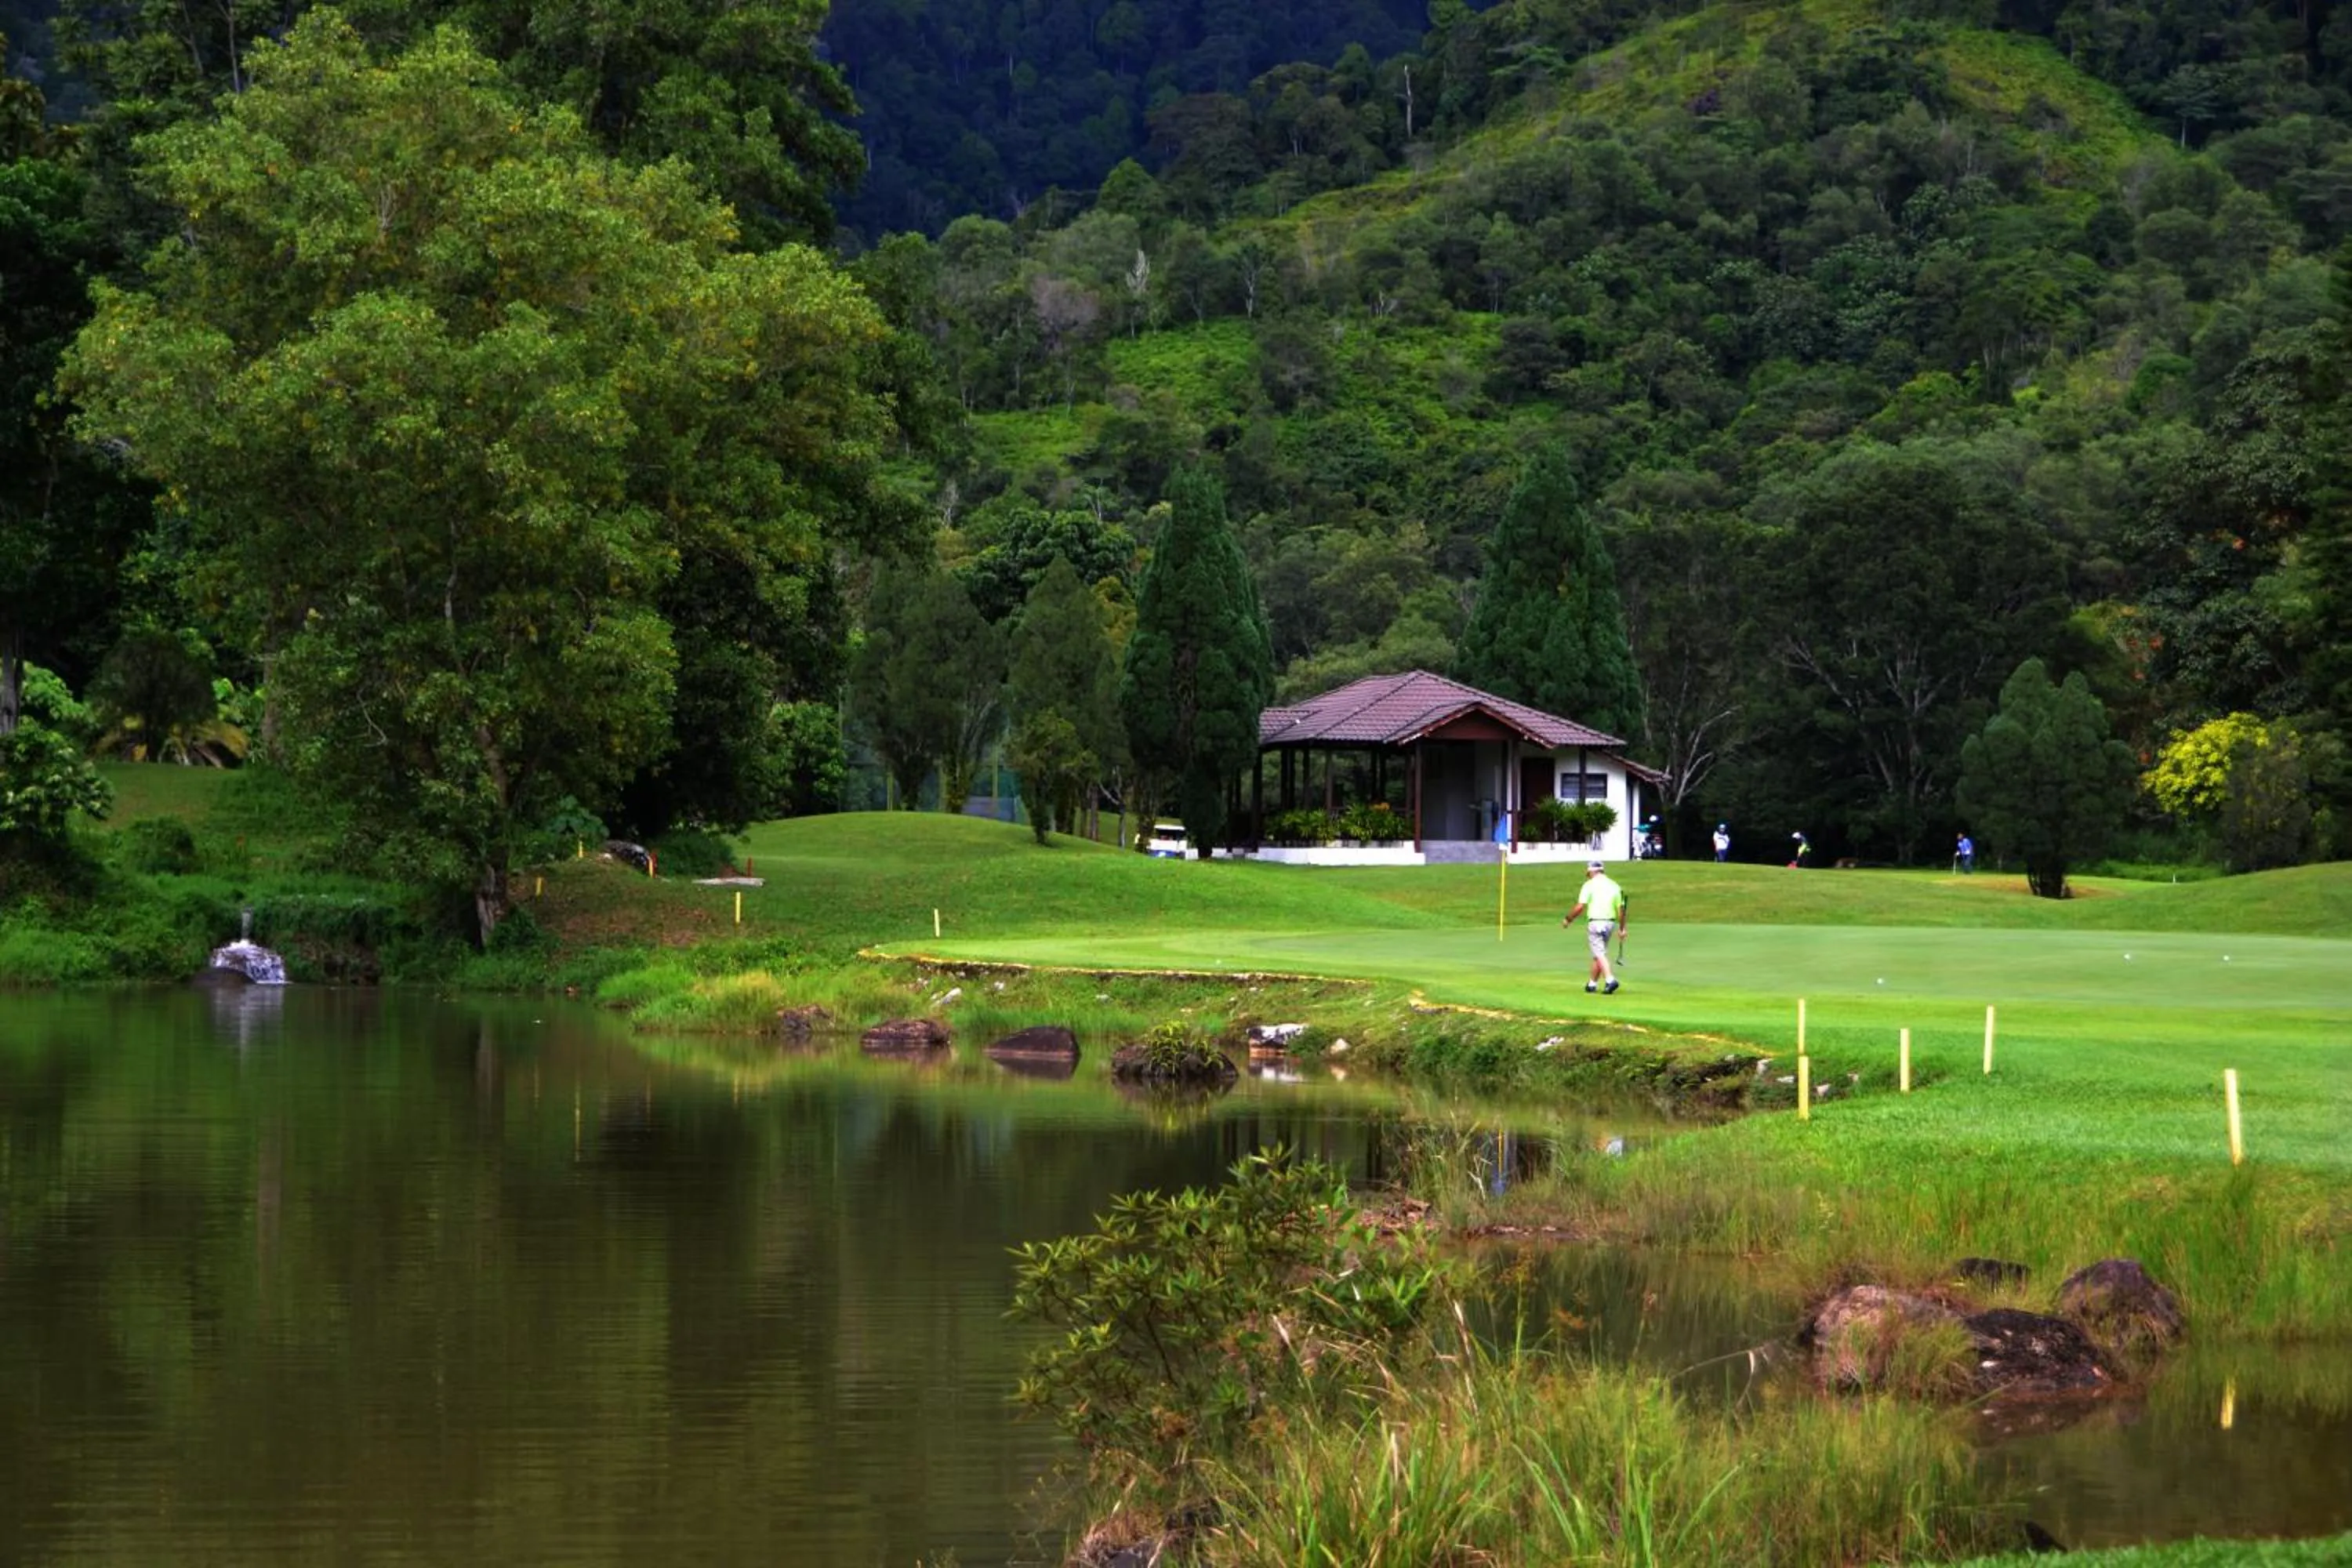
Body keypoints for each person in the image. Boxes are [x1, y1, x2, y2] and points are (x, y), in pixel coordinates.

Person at [1564, 858, 1627, 995]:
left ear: (1591, 872)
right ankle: (1592, 984)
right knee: (1599, 953)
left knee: (1599, 953)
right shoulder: (1615, 885)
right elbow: (1621, 910)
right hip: (1610, 923)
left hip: (1595, 922)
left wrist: (1568, 919)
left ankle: (1610, 980)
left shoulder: (1589, 885)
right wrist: (1622, 929)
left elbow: (1580, 907)